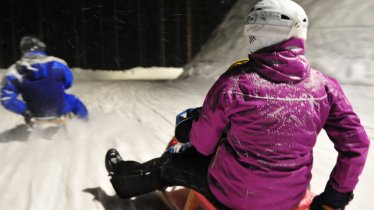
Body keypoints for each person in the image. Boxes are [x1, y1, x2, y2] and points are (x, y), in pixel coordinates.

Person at [104, 0, 370, 209]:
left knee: (169, 165)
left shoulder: (236, 83)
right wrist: (334, 198)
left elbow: (204, 144)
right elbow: (356, 144)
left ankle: (121, 178)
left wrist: (190, 129)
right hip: (290, 197)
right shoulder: (324, 86)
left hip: (235, 196)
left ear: (258, 33)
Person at [1, 36, 88, 124]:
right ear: (41, 47)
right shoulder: (58, 63)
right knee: (74, 101)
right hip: (59, 107)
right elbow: (68, 82)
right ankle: (86, 125)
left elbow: (6, 97)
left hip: (34, 112)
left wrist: (25, 111)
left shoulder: (14, 71)